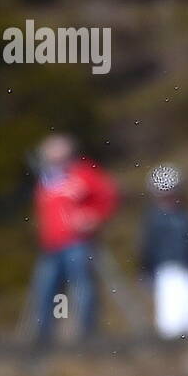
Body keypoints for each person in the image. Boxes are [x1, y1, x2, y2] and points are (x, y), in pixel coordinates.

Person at [28, 134, 118, 348]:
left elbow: (108, 194)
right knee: (46, 289)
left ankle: (86, 332)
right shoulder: (46, 179)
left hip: (77, 242)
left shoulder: (83, 173)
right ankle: (44, 336)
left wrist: (95, 217)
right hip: (51, 245)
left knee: (82, 287)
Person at [139, 165, 188, 340]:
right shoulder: (153, 219)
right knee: (172, 319)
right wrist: (146, 270)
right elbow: (148, 247)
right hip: (167, 270)